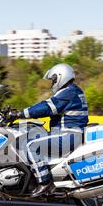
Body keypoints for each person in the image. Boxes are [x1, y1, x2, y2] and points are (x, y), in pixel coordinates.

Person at [8, 64, 89, 197]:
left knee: (30, 145)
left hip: (68, 135)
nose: (52, 83)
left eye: (53, 79)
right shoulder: (74, 90)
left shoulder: (67, 93)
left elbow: (46, 107)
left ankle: (45, 183)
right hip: (71, 134)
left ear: (60, 77)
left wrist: (20, 114)